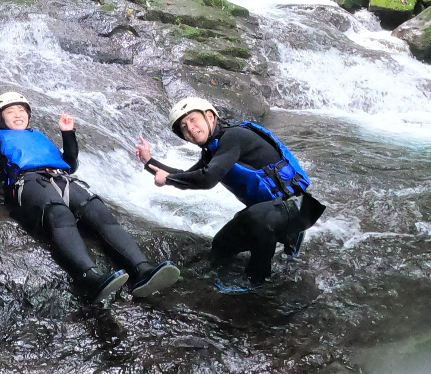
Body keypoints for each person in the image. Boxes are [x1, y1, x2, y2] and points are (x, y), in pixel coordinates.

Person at [0, 91, 180, 305]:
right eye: (10, 112)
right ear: (0, 118)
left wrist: (68, 134)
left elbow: (70, 164)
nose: (18, 115)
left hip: (62, 178)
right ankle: (88, 277)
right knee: (59, 214)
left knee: (98, 211)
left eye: (21, 111)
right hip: (27, 183)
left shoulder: (37, 135)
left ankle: (142, 270)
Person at [136, 96, 325, 292]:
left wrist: (167, 179)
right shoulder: (213, 151)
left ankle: (257, 279)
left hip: (297, 208)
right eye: (184, 127)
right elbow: (187, 177)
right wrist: (149, 162)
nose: (190, 128)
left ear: (209, 116)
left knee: (255, 218)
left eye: (193, 120)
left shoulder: (234, 137)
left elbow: (207, 179)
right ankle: (278, 241)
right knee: (221, 245)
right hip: (272, 210)